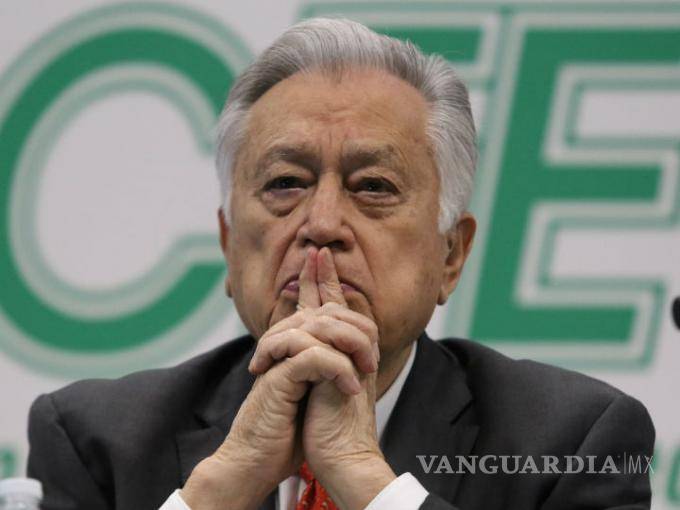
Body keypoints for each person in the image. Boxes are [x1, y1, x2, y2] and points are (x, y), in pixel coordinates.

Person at [26, 18, 655, 510]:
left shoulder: (573, 442)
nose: (321, 224)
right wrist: (217, 491)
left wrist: (367, 483)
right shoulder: (94, 442)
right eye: (285, 183)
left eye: (373, 186)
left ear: (450, 255)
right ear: (228, 243)